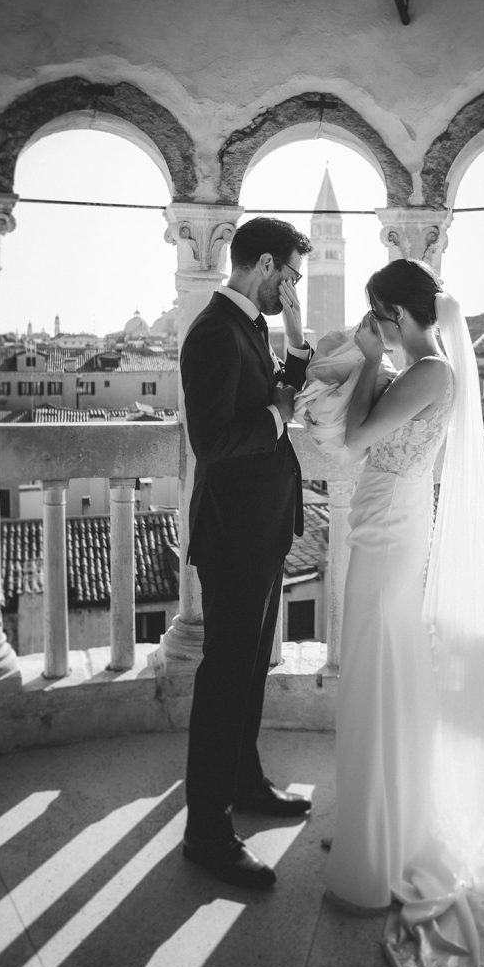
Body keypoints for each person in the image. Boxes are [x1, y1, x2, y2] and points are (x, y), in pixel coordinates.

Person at [324, 259, 484, 967]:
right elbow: (372, 426)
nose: (373, 327)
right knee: (380, 668)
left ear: (400, 316)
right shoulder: (421, 371)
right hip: (386, 517)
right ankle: (386, 818)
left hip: (390, 524)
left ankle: (378, 846)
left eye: (379, 315)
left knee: (377, 667)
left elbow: (355, 440)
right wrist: (375, 367)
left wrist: (371, 363)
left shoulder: (430, 372)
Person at [180, 217, 314, 890]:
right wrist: (276, 418)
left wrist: (294, 342)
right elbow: (213, 440)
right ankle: (205, 829)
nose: (291, 287)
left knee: (249, 668)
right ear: (263, 263)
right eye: (289, 275)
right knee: (225, 676)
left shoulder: (250, 328)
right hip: (232, 532)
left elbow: (278, 394)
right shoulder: (212, 332)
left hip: (258, 528)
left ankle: (245, 779)